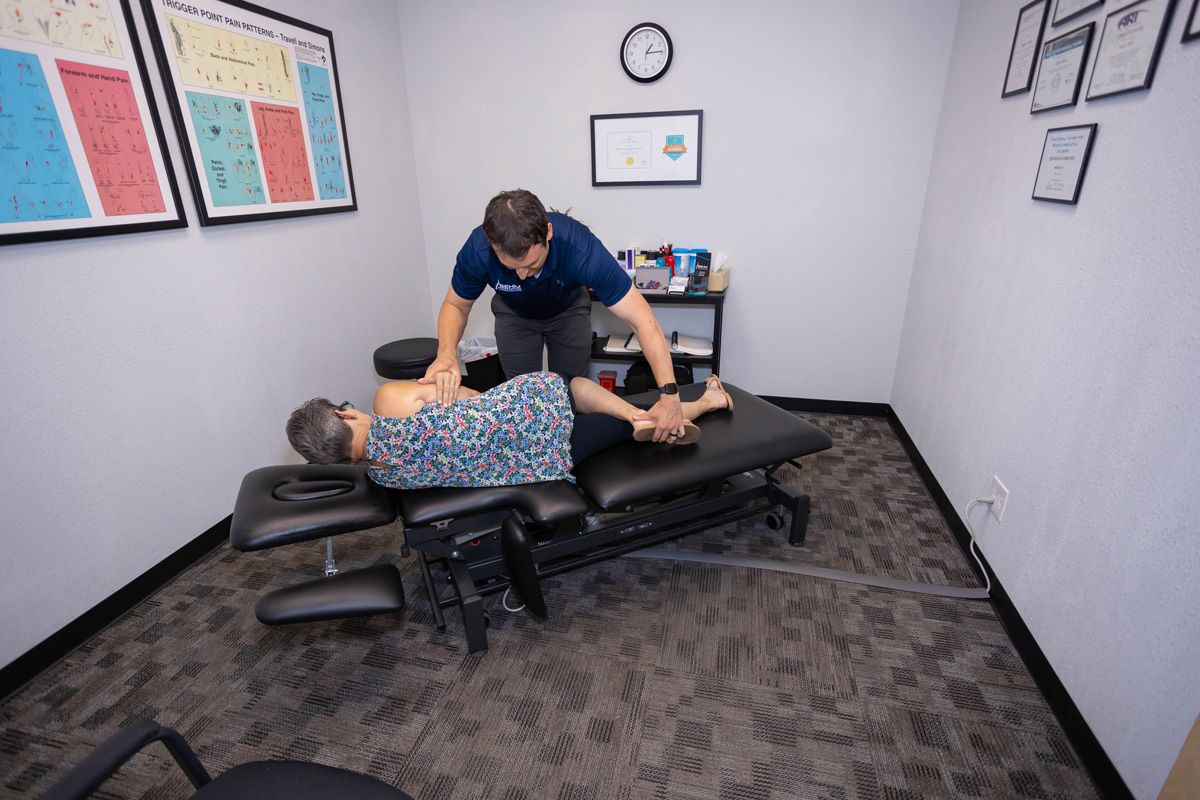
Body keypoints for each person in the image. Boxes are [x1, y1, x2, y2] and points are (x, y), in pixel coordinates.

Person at [421, 188, 687, 443]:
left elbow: (642, 319)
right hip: (514, 314)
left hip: (568, 310)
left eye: (531, 265)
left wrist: (669, 394)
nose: (523, 275)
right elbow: (456, 305)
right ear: (492, 246)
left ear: (547, 232)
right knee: (523, 402)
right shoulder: (478, 250)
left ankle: (571, 462)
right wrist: (446, 353)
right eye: (512, 269)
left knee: (570, 394)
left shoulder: (580, 249)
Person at [286, 373, 734, 490]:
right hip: (539, 417)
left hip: (533, 460)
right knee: (579, 386)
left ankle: (644, 418)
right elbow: (466, 398)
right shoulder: (396, 410)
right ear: (346, 416)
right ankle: (673, 409)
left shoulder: (383, 475)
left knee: (601, 419)